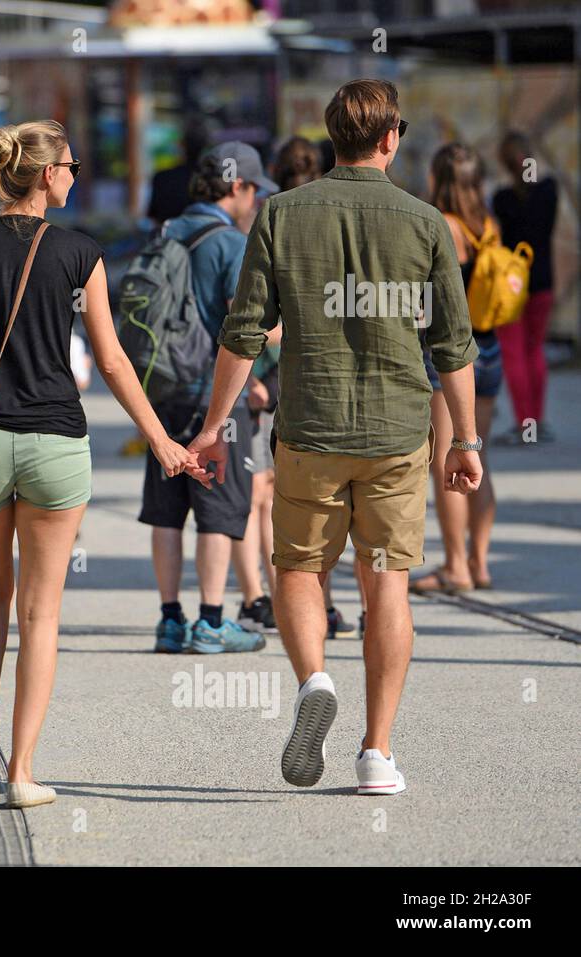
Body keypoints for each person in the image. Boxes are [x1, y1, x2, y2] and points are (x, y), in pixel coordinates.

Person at [0, 121, 204, 809]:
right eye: (68, 164)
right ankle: (23, 771)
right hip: (56, 444)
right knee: (41, 614)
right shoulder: (78, 252)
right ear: (43, 175)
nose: (72, 173)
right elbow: (115, 359)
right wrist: (160, 440)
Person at [190, 79, 482, 796]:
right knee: (387, 584)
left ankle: (314, 676)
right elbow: (453, 344)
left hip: (310, 429)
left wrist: (214, 427)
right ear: (390, 138)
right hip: (396, 434)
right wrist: (466, 439)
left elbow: (243, 331)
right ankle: (377, 752)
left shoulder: (280, 213)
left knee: (297, 569)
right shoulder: (424, 223)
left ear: (333, 140)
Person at [139, 142, 276, 655]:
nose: (255, 202)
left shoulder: (166, 231)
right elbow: (242, 326)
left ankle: (170, 619)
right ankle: (213, 621)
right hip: (211, 393)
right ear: (237, 188)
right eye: (253, 191)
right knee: (219, 507)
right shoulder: (229, 243)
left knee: (167, 508)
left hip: (160, 388)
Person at [236, 136, 362, 640]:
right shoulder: (338, 222)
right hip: (320, 381)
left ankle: (263, 598)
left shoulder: (269, 219)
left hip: (267, 382)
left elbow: (245, 318)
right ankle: (322, 605)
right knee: (331, 504)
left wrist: (255, 378)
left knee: (263, 497)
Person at [412, 143, 502, 594]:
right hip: (490, 349)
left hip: (450, 356)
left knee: (448, 461)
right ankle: (480, 562)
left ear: (439, 178)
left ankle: (454, 567)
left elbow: (429, 298)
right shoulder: (488, 223)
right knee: (478, 456)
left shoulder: (441, 225)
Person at [492, 131, 558, 444]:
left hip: (511, 285)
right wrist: (530, 161)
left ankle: (525, 425)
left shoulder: (502, 199)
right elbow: (534, 182)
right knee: (534, 352)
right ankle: (537, 423)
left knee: (514, 353)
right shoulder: (548, 192)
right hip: (543, 281)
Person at [146, 116, 209, 225]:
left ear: (182, 145)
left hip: (169, 238)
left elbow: (153, 217)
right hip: (205, 238)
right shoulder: (212, 179)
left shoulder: (162, 178)